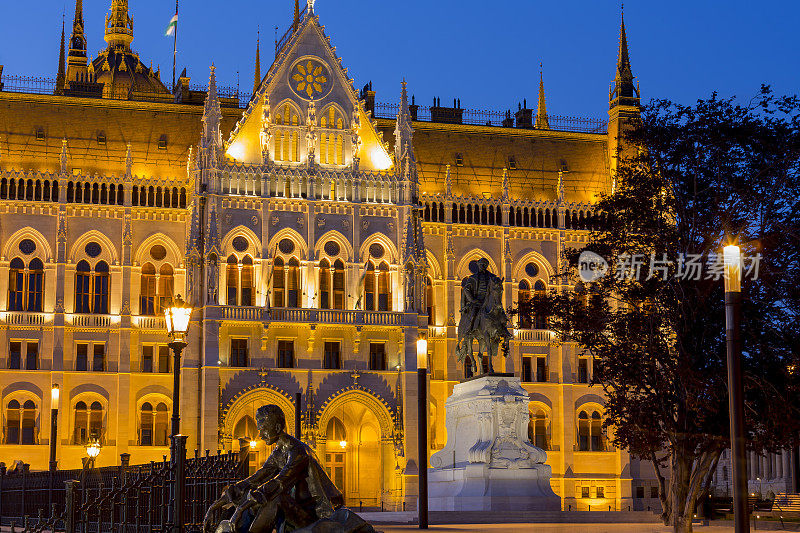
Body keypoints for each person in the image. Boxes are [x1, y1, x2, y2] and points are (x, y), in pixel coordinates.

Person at [205, 404, 354, 533]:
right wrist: (217, 503)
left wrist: (241, 508)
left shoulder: (297, 451)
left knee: (275, 498)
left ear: (276, 427)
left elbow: (279, 483)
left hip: (315, 515)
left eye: (263, 430)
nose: (260, 435)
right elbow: (257, 478)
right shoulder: (279, 450)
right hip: (298, 510)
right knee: (256, 496)